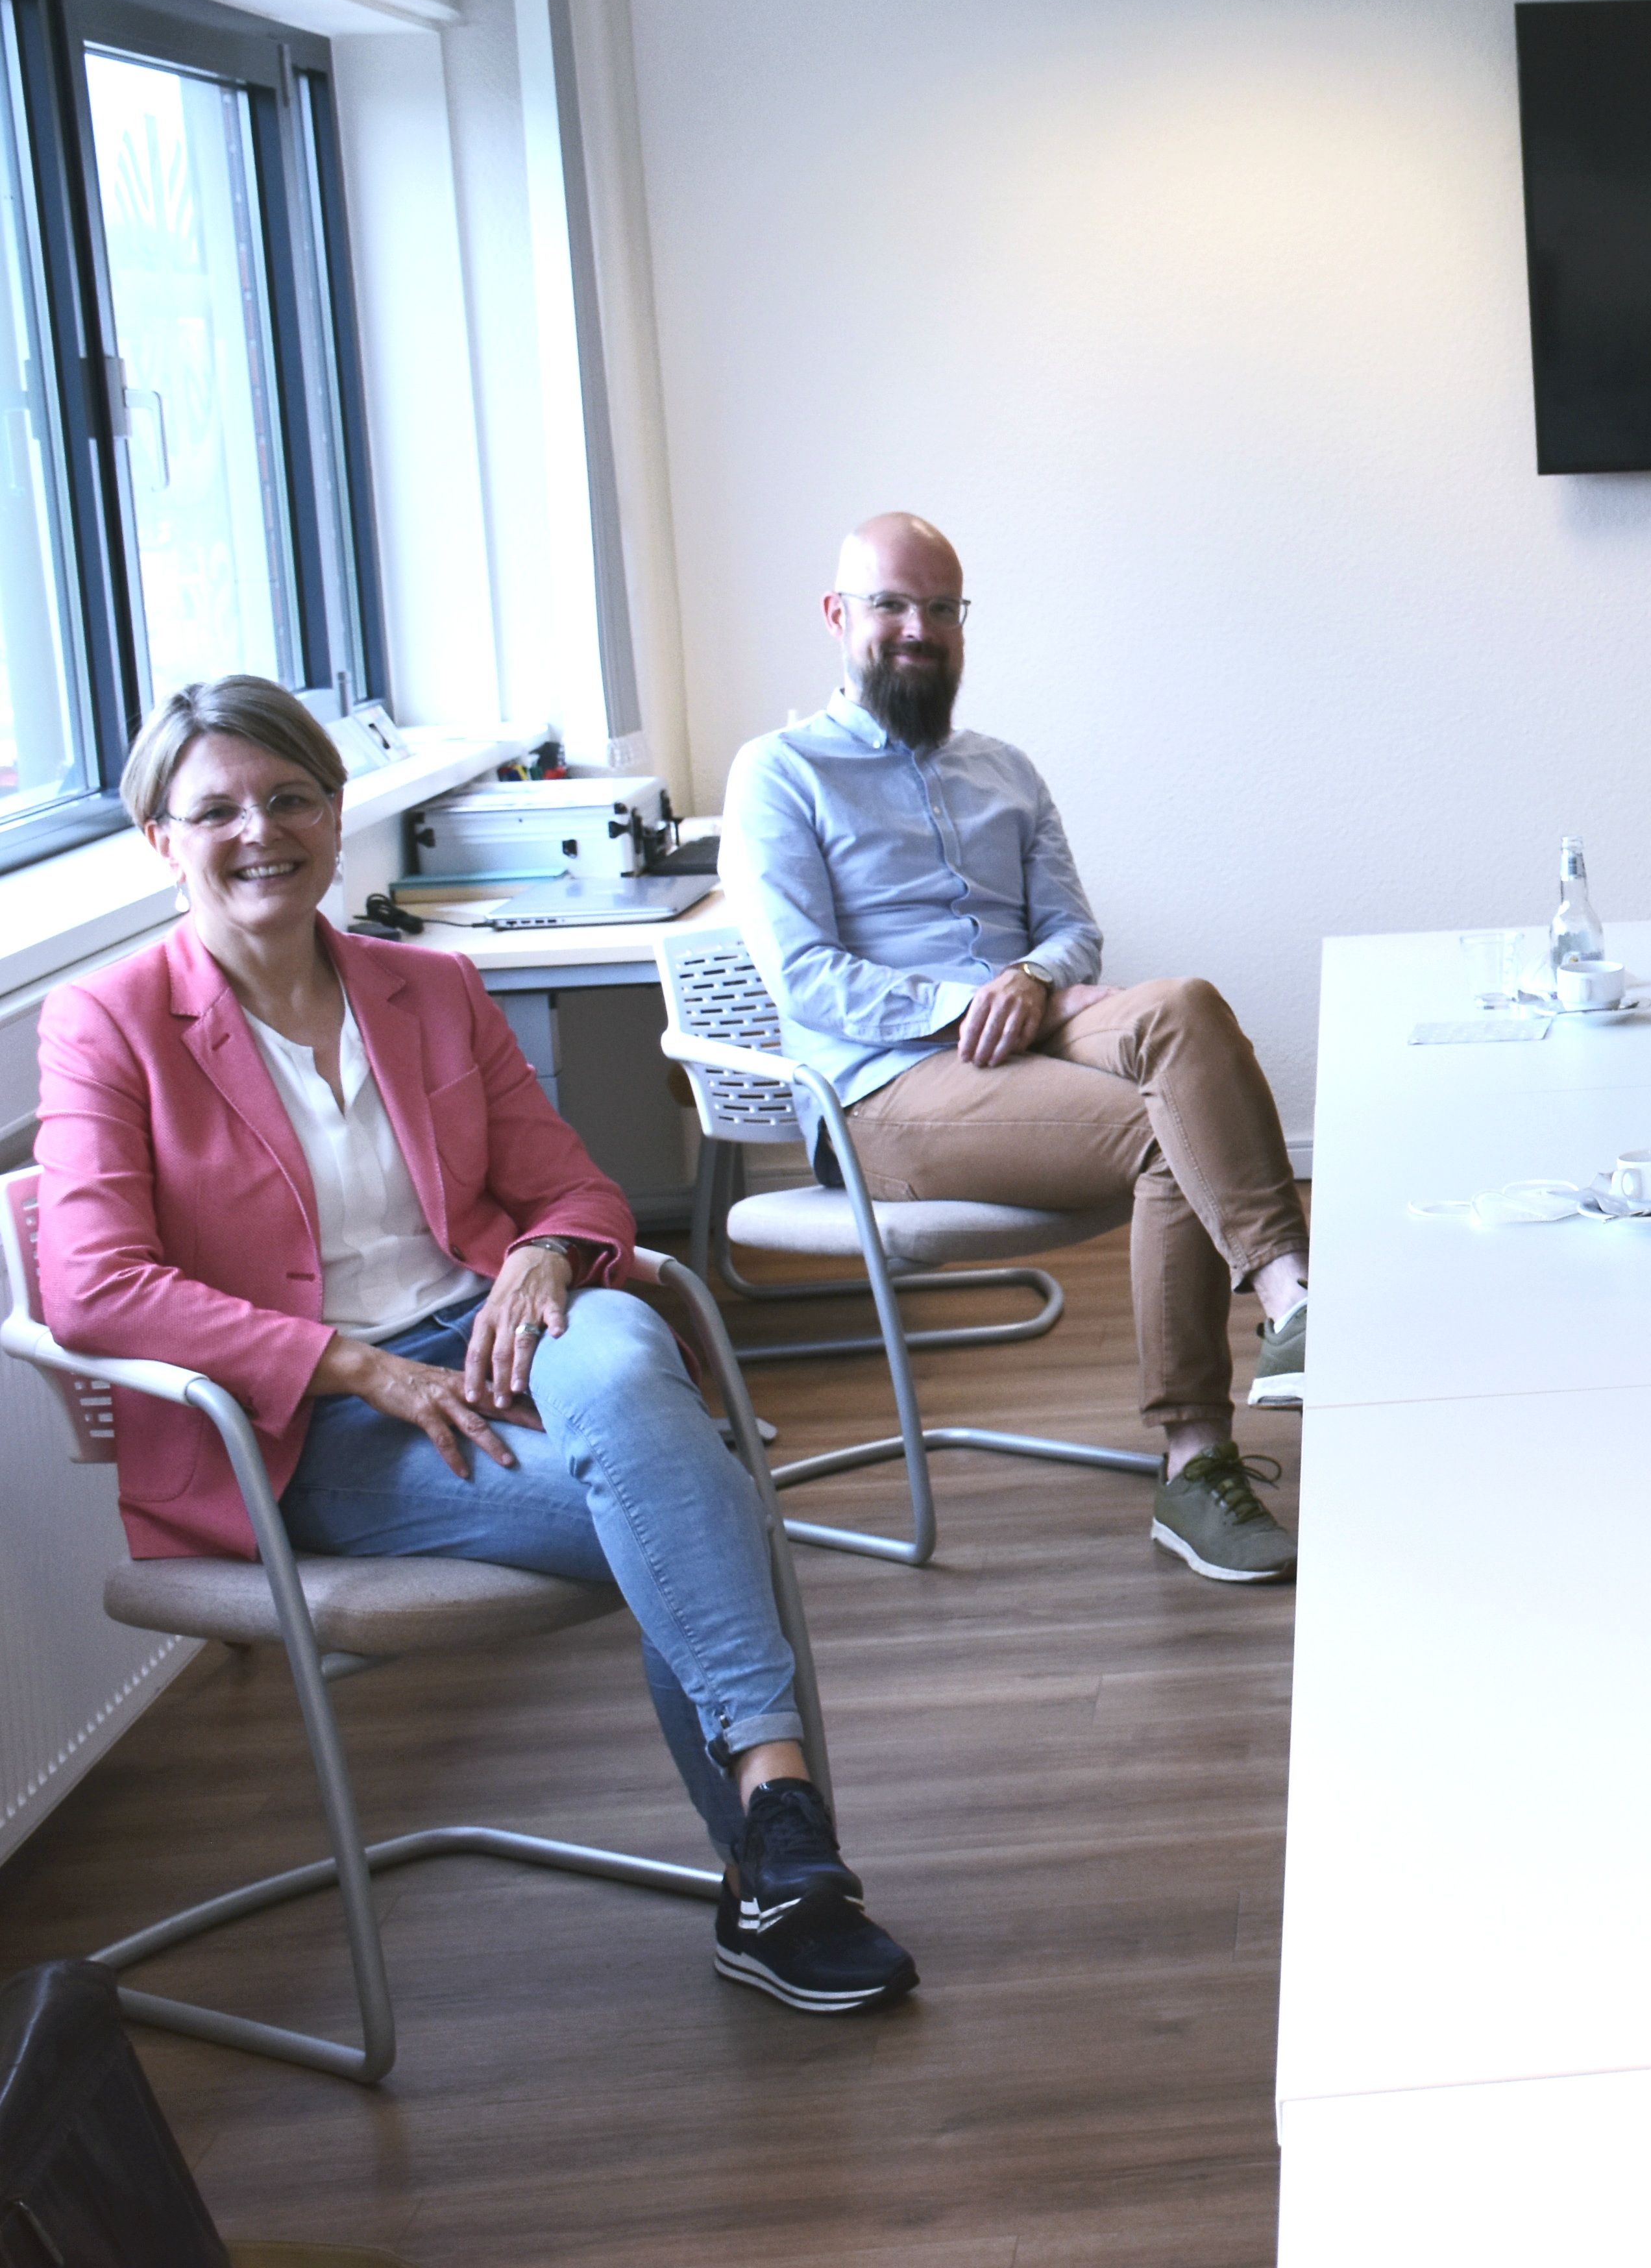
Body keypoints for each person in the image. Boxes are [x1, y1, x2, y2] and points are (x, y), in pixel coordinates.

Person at [36, 679, 916, 2016]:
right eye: (216, 809)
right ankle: (778, 1861)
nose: (259, 831)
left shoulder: (428, 985)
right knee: (698, 1492)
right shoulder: (108, 1022)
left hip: (507, 1337)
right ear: (162, 837)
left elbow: (582, 1194)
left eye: (288, 798)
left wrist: (543, 1254)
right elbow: (94, 1286)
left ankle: (779, 1835)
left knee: (623, 1365)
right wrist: (354, 1365)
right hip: (308, 1417)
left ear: (337, 815)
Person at [729, 511, 1310, 1584]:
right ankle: (1196, 1458)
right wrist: (966, 1002)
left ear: (962, 625)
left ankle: (1291, 1302)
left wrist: (1036, 977)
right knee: (1161, 1134)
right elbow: (799, 974)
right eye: (890, 605)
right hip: (888, 1083)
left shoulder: (1006, 767)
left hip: (1032, 1018)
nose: (917, 629)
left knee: (1183, 1003)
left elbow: (1075, 930)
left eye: (939, 609)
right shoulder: (780, 773)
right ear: (837, 616)